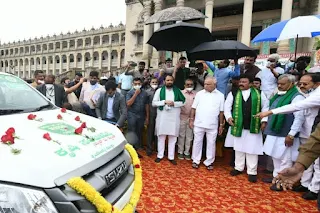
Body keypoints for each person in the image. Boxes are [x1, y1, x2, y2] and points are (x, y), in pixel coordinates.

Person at [262, 74, 305, 191]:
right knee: (275, 155)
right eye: (278, 84)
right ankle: (276, 177)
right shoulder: (277, 94)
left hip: (286, 133)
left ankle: (282, 182)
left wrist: (291, 134)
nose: (279, 86)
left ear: (291, 84)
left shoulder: (297, 97)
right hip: (274, 131)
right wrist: (264, 121)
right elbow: (268, 108)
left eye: (282, 84)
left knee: (286, 158)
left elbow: (299, 118)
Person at [224, 74, 269, 182]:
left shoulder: (259, 93)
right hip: (238, 125)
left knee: (252, 149)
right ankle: (238, 167)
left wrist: (264, 121)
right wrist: (229, 117)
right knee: (238, 147)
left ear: (251, 83)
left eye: (244, 82)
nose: (241, 84)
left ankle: (252, 172)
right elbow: (227, 107)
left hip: (253, 125)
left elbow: (265, 107)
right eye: (240, 82)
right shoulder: (233, 93)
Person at [189, 76, 225, 170]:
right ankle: (195, 160)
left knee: (211, 143)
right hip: (199, 123)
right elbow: (194, 108)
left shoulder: (220, 95)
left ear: (214, 85)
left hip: (212, 124)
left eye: (208, 84)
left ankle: (209, 162)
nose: (205, 85)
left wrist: (221, 125)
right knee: (197, 142)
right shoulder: (199, 94)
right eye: (205, 84)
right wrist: (191, 119)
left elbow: (221, 112)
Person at [152, 75, 185, 165]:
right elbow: (154, 103)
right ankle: (160, 155)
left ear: (173, 81)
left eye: (171, 80)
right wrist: (164, 102)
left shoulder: (177, 91)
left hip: (173, 118)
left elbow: (183, 102)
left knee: (173, 138)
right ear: (164, 81)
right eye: (167, 80)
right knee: (161, 137)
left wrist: (174, 103)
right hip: (162, 118)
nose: (169, 82)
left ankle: (171, 157)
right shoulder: (159, 91)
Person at [126, 78, 149, 150]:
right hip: (132, 114)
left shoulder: (145, 93)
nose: (137, 85)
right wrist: (135, 94)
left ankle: (138, 146)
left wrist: (147, 117)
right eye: (135, 84)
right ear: (132, 84)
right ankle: (131, 147)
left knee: (139, 130)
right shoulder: (129, 93)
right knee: (131, 130)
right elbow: (128, 104)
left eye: (139, 84)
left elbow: (147, 105)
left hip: (141, 114)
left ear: (141, 84)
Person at [178, 79, 197, 160]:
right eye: (187, 84)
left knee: (189, 136)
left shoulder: (196, 94)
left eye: (191, 85)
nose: (189, 86)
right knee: (181, 135)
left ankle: (187, 152)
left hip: (192, 118)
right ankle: (180, 152)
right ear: (184, 85)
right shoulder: (180, 93)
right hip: (181, 117)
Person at [146, 78, 159, 156]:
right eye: (153, 82)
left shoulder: (160, 91)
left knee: (158, 132)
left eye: (156, 82)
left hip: (160, 115)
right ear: (150, 83)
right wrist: (147, 116)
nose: (154, 83)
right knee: (150, 132)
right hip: (151, 114)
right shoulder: (147, 92)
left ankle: (158, 148)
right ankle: (149, 149)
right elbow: (146, 105)